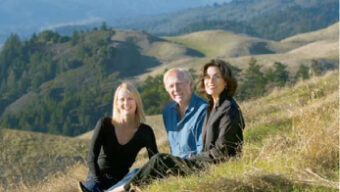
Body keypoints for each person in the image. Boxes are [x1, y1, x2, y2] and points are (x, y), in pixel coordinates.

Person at [115, 59, 245, 192]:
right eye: (207, 77)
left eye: (216, 77)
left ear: (226, 81)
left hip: (212, 167)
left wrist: (189, 161)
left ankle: (123, 190)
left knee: (159, 160)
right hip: (202, 163)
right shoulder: (214, 106)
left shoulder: (228, 109)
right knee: (140, 170)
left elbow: (223, 152)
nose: (210, 81)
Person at [79, 82, 158, 192]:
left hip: (122, 180)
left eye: (130, 98)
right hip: (97, 177)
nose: (126, 103)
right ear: (116, 103)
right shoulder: (104, 124)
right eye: (122, 99)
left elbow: (155, 162)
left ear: (137, 102)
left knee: (137, 172)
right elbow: (91, 158)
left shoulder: (145, 132)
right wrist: (98, 182)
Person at [162, 68, 208, 158]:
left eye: (179, 84)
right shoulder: (167, 112)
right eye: (171, 86)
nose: (176, 89)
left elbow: (202, 150)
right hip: (174, 166)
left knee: (157, 160)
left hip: (194, 164)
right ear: (167, 89)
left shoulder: (203, 110)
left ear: (190, 84)